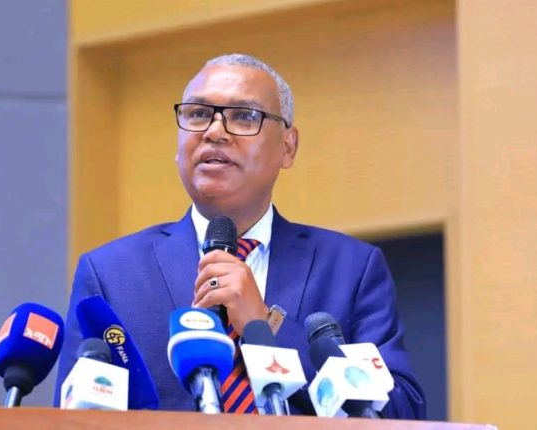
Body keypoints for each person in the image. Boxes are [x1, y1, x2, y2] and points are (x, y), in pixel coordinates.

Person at [54, 53, 426, 418]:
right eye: (198, 114)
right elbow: (71, 421)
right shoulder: (112, 274)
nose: (214, 131)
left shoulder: (351, 269)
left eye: (244, 116)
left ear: (288, 146)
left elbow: (400, 413)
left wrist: (263, 327)